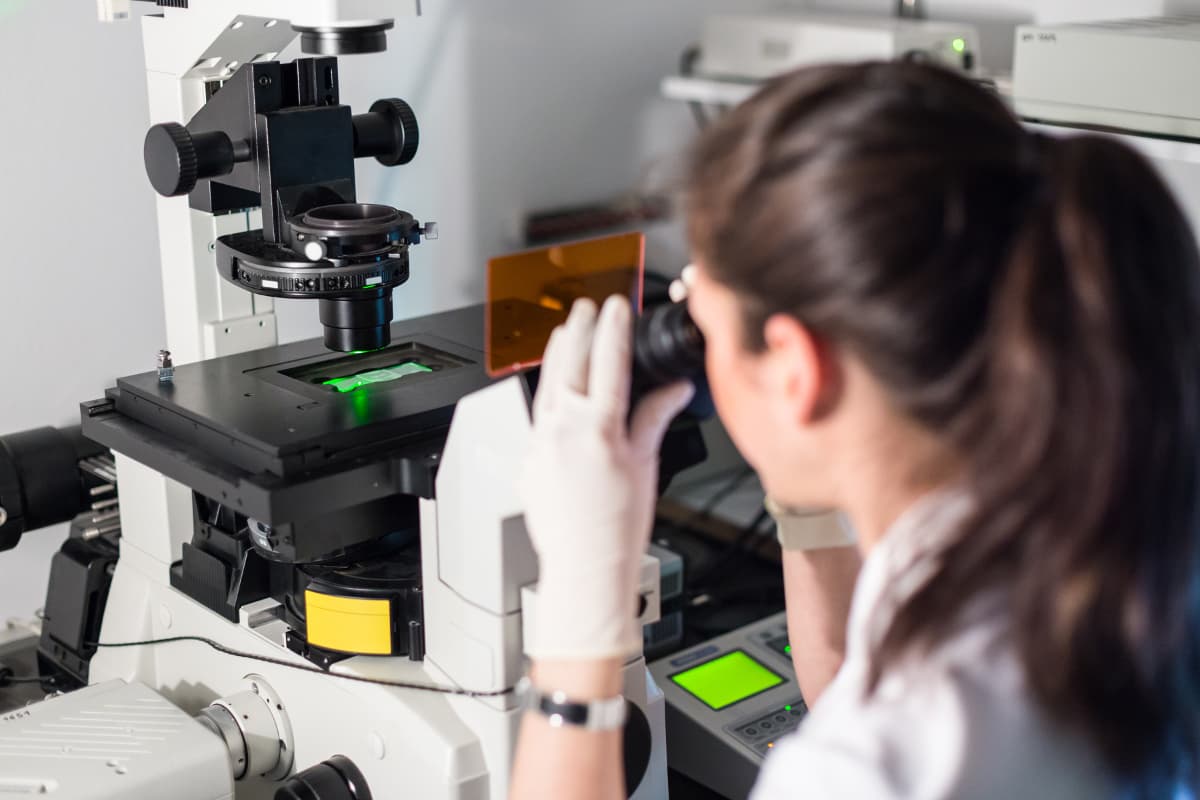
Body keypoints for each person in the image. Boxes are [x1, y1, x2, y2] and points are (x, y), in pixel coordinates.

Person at [509, 61, 1200, 799]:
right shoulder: (1111, 551)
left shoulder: (877, 765)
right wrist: (803, 456)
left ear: (796, 369)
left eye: (698, 316)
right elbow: (846, 685)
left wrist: (580, 628)